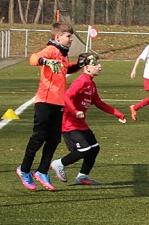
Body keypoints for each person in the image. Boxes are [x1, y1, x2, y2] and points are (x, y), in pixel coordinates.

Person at [16, 22, 82, 191]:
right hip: (45, 101)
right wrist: (45, 61)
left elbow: (66, 69)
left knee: (53, 139)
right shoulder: (51, 49)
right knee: (39, 137)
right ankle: (24, 169)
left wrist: (80, 64)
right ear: (57, 37)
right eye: (68, 36)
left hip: (58, 102)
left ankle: (42, 171)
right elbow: (33, 59)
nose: (71, 39)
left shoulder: (63, 53)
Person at [50, 53, 126, 186]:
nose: (99, 66)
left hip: (80, 124)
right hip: (69, 123)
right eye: (95, 64)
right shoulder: (81, 81)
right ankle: (58, 164)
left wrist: (118, 114)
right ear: (86, 68)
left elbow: (99, 103)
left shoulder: (91, 84)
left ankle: (82, 176)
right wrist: (75, 111)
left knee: (94, 148)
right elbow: (66, 96)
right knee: (84, 150)